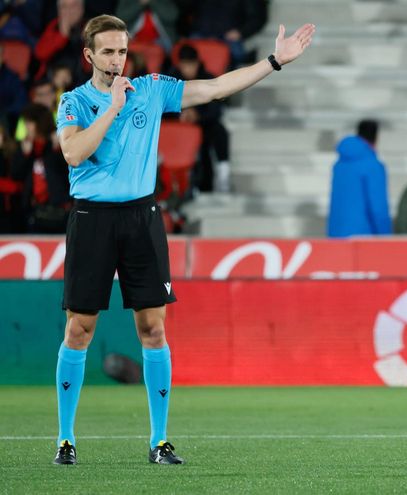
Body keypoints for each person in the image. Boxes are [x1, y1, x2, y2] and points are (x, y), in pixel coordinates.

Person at [52, 14, 315, 465]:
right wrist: (113, 106)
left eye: (122, 50)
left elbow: (213, 88)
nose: (118, 60)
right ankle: (65, 439)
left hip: (141, 218)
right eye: (109, 51)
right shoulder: (73, 101)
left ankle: (159, 441)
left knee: (153, 329)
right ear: (89, 55)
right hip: (92, 218)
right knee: (80, 329)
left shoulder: (151, 89)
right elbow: (74, 152)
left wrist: (274, 61)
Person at [168, 44, 230, 193]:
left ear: (197, 63)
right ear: (180, 65)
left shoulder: (208, 79)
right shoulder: (170, 81)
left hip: (203, 125)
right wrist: (180, 115)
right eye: (185, 65)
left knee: (218, 132)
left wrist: (197, 115)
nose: (188, 69)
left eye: (191, 65)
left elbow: (216, 110)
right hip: (177, 127)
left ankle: (222, 171)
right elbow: (163, 107)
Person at [326, 119, 392, 238]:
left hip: (337, 235)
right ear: (376, 137)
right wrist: (385, 236)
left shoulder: (339, 165)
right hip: (363, 237)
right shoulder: (373, 165)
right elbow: (378, 206)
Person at [18, 103, 70, 232]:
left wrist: (58, 150)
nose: (26, 127)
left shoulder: (55, 145)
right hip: (33, 210)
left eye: (29, 123)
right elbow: (16, 175)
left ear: (39, 123)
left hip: (58, 209)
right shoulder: (25, 147)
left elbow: (66, 172)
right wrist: (25, 155)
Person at [34, 0, 88, 82]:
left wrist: (85, 41)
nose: (69, 11)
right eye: (64, 7)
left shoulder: (89, 27)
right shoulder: (53, 26)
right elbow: (40, 54)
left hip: (81, 82)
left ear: (82, 9)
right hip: (52, 82)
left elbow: (90, 67)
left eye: (74, 6)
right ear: (58, 10)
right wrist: (62, 36)